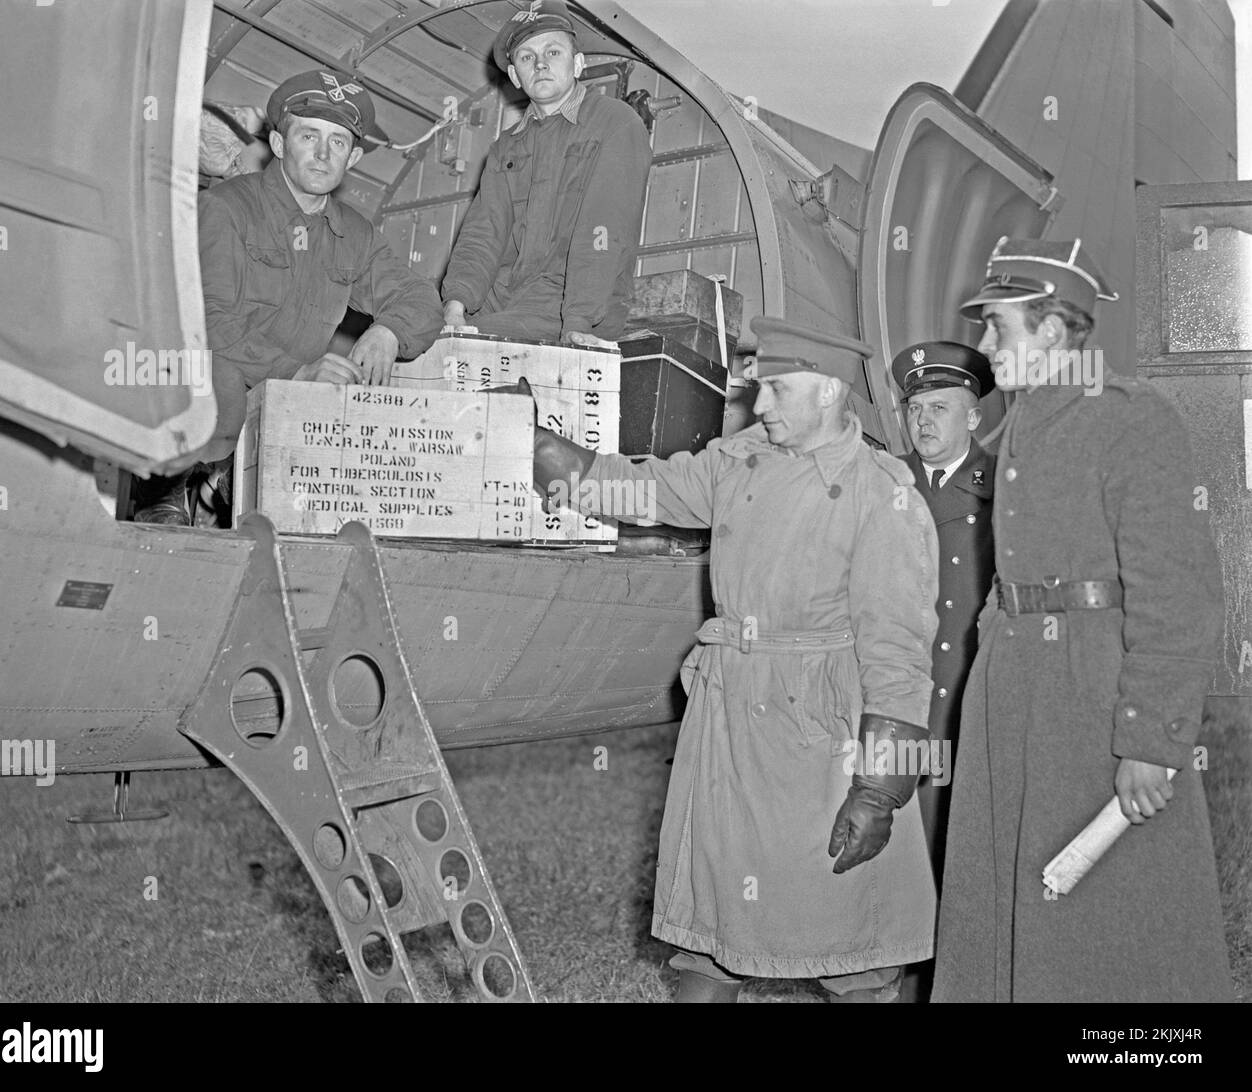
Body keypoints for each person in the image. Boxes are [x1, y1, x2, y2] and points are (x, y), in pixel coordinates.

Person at [530, 316, 940, 1002]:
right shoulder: (740, 459)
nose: (760, 404)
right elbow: (646, 489)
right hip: (728, 726)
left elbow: (899, 660)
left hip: (818, 735)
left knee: (848, 947)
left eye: (778, 390)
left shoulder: (882, 493)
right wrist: (541, 449)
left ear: (834, 392)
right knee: (711, 934)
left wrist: (879, 791)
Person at [933, 237, 1234, 1002]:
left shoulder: (1133, 421)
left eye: (999, 326)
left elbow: (1180, 592)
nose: (985, 344)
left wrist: (1151, 737)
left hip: (1095, 699)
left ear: (1056, 332)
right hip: (1016, 690)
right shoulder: (1022, 429)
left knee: (1110, 928)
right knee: (1005, 899)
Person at [135, 70, 442, 523]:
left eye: (337, 142)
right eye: (308, 136)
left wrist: (390, 330)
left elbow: (418, 297)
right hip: (212, 391)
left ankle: (233, 480)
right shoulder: (225, 206)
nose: (322, 154)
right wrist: (295, 372)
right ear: (279, 145)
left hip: (282, 406)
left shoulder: (353, 233)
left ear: (353, 157)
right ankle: (170, 488)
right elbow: (205, 320)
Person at [440, 0, 652, 346]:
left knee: (476, 346)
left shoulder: (614, 122)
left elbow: (604, 229)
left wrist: (578, 323)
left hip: (569, 306)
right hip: (508, 302)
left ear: (578, 63)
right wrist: (455, 304)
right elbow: (483, 232)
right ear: (515, 77)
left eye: (553, 52)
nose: (540, 64)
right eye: (526, 57)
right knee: (419, 331)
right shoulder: (505, 147)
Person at [888, 341, 995, 886]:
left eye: (939, 408)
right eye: (913, 408)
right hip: (888, 688)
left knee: (953, 838)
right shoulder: (881, 482)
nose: (922, 421)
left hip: (965, 690)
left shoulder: (1002, 488)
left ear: (973, 417)